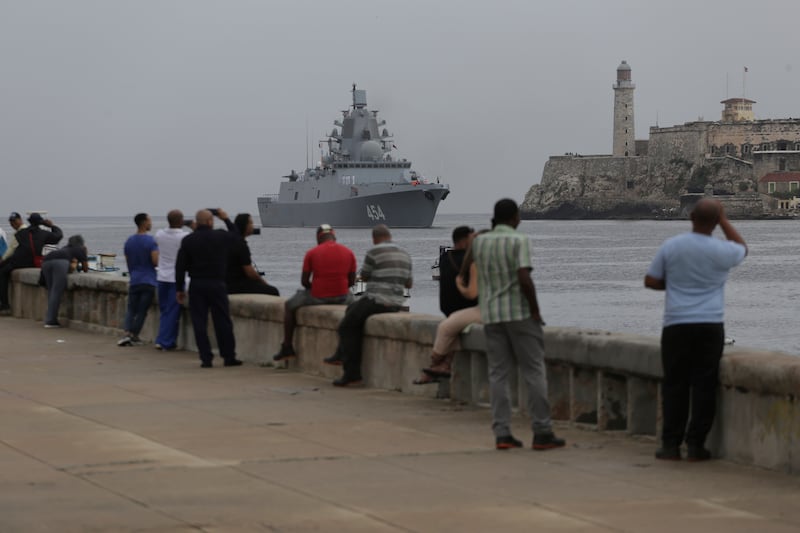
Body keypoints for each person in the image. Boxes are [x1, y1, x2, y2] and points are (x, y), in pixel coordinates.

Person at [645, 198, 747, 462]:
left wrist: (677, 287)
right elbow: (742, 248)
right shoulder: (722, 250)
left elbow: (651, 280)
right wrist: (723, 219)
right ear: (715, 222)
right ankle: (695, 445)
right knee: (704, 385)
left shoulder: (672, 246)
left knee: (675, 384)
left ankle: (670, 445)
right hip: (710, 325)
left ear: (691, 217)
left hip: (676, 323)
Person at [471, 199, 565, 451]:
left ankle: (502, 433)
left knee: (498, 374)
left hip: (492, 315)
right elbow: (524, 277)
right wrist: (535, 309)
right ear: (513, 218)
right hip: (519, 314)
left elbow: (470, 269)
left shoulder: (480, 242)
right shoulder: (518, 240)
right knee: (534, 371)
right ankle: (542, 431)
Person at [326, 224, 412, 387]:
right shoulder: (405, 254)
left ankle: (351, 373)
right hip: (396, 303)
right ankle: (339, 354)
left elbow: (364, 277)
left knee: (346, 326)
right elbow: (409, 283)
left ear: (374, 239)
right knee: (351, 310)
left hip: (377, 300)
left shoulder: (374, 252)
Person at [272, 223, 357, 361]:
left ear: (318, 238)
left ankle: (287, 346)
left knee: (289, 305)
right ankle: (343, 350)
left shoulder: (312, 253)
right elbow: (352, 282)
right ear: (334, 236)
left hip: (318, 296)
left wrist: (316, 287)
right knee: (356, 307)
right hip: (343, 296)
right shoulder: (349, 252)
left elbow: (304, 281)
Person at [175, 208, 243, 368]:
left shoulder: (188, 240)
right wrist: (226, 219)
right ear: (210, 222)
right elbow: (237, 237)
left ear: (197, 223)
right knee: (223, 321)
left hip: (197, 284)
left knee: (199, 322)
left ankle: (206, 358)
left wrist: (179, 288)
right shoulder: (220, 236)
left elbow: (180, 267)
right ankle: (228, 356)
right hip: (217, 283)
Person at [414, 226, 479, 384]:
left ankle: (436, 366)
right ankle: (441, 365)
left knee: (449, 329)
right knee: (449, 329)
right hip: (467, 307)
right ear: (464, 240)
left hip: (449, 308)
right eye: (473, 238)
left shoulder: (445, 258)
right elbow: (472, 293)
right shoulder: (471, 260)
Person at [0, 213, 63, 315]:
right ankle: (4, 306)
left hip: (18, 260)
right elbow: (58, 236)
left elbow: (14, 248)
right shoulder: (43, 233)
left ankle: (5, 305)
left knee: (3, 272)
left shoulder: (21, 233)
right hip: (30, 262)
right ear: (41, 222)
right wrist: (51, 226)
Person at [117, 213, 158, 346]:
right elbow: (155, 261)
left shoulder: (129, 241)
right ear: (144, 222)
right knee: (141, 311)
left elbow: (129, 262)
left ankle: (127, 333)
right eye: (150, 220)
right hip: (148, 280)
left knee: (131, 309)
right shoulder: (151, 241)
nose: (151, 223)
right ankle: (134, 335)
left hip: (135, 279)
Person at [154, 210, 191, 350]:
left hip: (162, 276)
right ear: (181, 221)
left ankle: (161, 339)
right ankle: (166, 342)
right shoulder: (184, 236)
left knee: (165, 310)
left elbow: (159, 240)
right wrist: (191, 225)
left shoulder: (159, 234)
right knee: (173, 311)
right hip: (177, 277)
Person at [41, 235, 89, 328]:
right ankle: (50, 321)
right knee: (57, 291)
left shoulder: (65, 248)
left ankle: (49, 318)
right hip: (60, 262)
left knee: (51, 291)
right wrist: (84, 254)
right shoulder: (79, 249)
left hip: (46, 261)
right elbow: (85, 268)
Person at [226, 213, 279, 296]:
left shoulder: (233, 241)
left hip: (228, 283)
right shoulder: (241, 244)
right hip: (237, 285)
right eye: (250, 223)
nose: (253, 226)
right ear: (245, 226)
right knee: (273, 291)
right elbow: (249, 272)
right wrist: (263, 282)